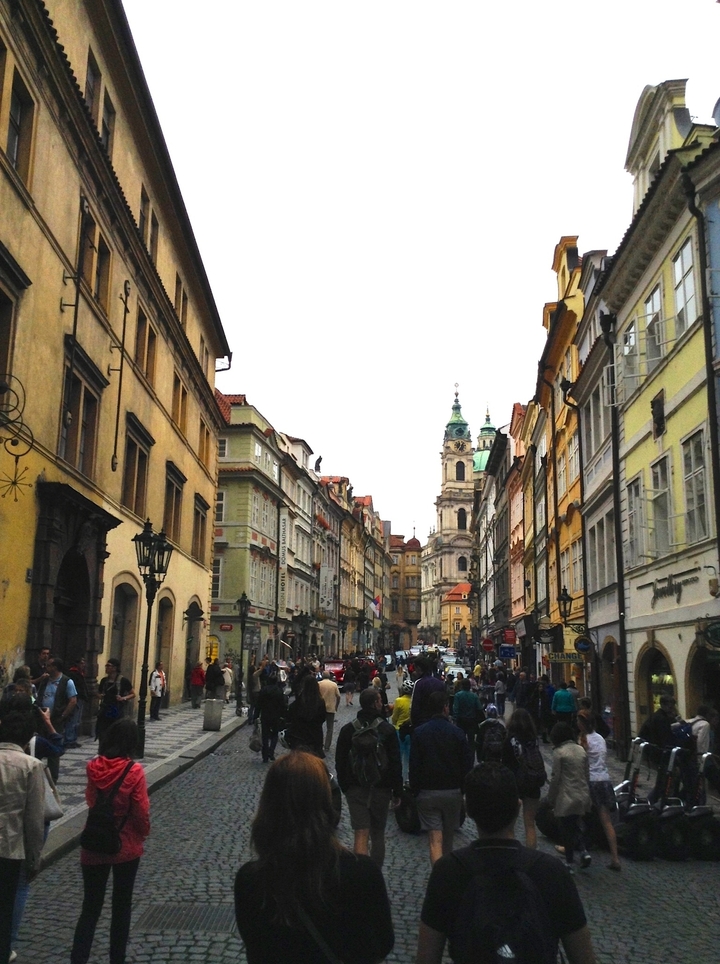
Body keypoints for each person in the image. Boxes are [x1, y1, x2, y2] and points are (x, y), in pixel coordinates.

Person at [416, 763, 597, 964]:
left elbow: (426, 956)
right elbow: (582, 955)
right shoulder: (551, 871)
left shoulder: (448, 871)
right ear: (518, 807)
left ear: (467, 810)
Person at [235, 752, 394, 963]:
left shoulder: (251, 880)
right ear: (327, 804)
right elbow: (383, 943)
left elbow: (254, 945)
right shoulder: (363, 873)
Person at [70, 719, 149, 964]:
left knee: (90, 908)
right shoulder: (134, 771)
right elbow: (141, 812)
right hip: (126, 846)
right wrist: (142, 833)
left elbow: (92, 800)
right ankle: (117, 958)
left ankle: (78, 958)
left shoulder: (93, 766)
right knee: (121, 907)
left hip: (95, 843)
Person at [335, 687, 403, 867]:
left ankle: (361, 877)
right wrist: (397, 790)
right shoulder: (387, 730)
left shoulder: (348, 730)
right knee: (378, 834)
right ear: (375, 703)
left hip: (355, 788)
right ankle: (375, 876)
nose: (382, 703)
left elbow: (340, 761)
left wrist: (345, 786)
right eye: (380, 700)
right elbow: (396, 763)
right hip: (381, 788)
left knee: (360, 832)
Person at [0, 696, 45, 964]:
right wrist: (34, 858)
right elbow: (34, 819)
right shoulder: (31, 766)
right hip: (9, 848)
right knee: (4, 910)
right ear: (27, 738)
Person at [409, 691, 474, 865]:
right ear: (445, 708)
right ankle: (446, 876)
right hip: (453, 792)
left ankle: (438, 876)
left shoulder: (420, 733)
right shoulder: (458, 733)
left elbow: (414, 765)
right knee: (448, 838)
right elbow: (467, 764)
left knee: (434, 838)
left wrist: (415, 790)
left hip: (427, 792)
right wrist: (464, 790)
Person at [576, 711, 621, 871]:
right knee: (607, 821)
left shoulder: (583, 740)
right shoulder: (600, 738)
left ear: (582, 724)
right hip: (604, 781)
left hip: (590, 782)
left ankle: (579, 850)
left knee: (578, 817)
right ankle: (615, 858)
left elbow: (581, 763)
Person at [546, 722, 592, 873]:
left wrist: (551, 798)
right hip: (582, 794)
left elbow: (555, 778)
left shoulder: (559, 752)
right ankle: (584, 851)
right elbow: (586, 774)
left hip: (567, 796)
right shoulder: (581, 750)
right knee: (577, 824)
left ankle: (569, 862)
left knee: (565, 829)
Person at [502, 707, 546, 849]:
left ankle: (512, 855)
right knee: (530, 824)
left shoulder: (509, 740)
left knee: (510, 825)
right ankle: (530, 856)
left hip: (515, 783)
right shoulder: (533, 740)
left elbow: (505, 763)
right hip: (533, 781)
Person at [36, 657, 77, 747]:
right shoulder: (45, 680)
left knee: (54, 744)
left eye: (48, 665)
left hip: (56, 718)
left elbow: (73, 701)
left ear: (55, 667)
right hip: (43, 717)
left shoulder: (67, 682)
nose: (46, 667)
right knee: (40, 744)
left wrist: (63, 715)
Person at [285, 673, 326, 757]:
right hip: (315, 737)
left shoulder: (297, 703)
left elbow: (289, 718)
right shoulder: (320, 703)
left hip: (299, 738)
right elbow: (322, 719)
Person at [96, 659, 135, 744]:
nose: (106, 668)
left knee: (116, 730)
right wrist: (100, 696)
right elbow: (98, 693)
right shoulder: (104, 681)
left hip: (117, 710)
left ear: (114, 668)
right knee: (103, 731)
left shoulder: (123, 681)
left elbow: (133, 694)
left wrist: (123, 698)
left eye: (108, 666)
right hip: (105, 709)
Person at [256, 672, 287, 763]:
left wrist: (256, 715)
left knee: (265, 736)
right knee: (274, 735)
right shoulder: (279, 691)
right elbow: (282, 705)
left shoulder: (264, 690)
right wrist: (283, 715)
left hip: (265, 715)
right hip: (275, 716)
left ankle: (265, 755)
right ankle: (271, 751)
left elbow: (259, 704)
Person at [410, 654, 445, 728]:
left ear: (419, 668)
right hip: (440, 723)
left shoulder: (419, 683)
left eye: (415, 668)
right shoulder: (440, 683)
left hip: (423, 723)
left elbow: (414, 707)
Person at [452, 677, 483, 757]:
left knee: (460, 739)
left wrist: (454, 720)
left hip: (460, 721)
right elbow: (479, 708)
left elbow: (456, 709)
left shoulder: (458, 695)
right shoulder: (474, 696)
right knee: (471, 741)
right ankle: (471, 757)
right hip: (471, 721)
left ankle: (461, 756)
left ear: (461, 686)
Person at [391, 678, 413, 782]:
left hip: (399, 730)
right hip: (410, 731)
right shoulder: (414, 702)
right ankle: (408, 777)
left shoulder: (398, 701)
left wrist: (395, 723)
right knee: (408, 756)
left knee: (399, 755)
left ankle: (399, 776)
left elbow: (394, 717)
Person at [65, 656, 89, 747]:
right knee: (72, 720)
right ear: (77, 664)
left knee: (76, 720)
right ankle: (69, 739)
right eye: (82, 663)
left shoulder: (80, 673)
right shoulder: (73, 674)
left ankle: (73, 739)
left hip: (80, 699)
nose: (84, 665)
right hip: (75, 698)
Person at [318, 671, 341, 752]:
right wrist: (336, 706)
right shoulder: (333, 685)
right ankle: (327, 746)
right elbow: (338, 696)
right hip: (330, 708)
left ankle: (319, 743)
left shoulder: (319, 684)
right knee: (330, 728)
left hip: (320, 708)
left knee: (318, 726)